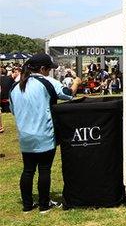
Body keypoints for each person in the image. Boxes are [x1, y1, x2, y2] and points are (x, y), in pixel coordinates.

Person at [9, 53, 81, 213]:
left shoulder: (15, 85)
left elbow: (13, 111)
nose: (49, 72)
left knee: (28, 170)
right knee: (44, 169)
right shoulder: (47, 82)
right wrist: (76, 81)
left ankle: (27, 206)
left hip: (25, 136)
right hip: (44, 134)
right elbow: (69, 94)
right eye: (48, 69)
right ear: (42, 68)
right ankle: (44, 205)